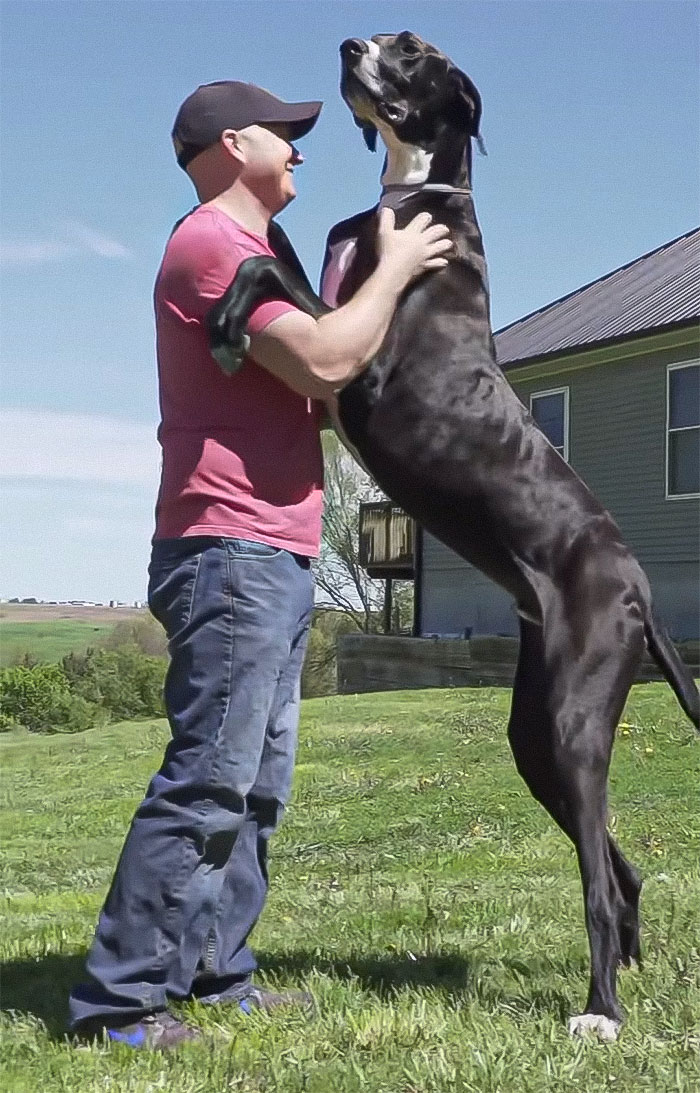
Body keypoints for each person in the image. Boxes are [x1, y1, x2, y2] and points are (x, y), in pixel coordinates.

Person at [69, 79, 451, 1049]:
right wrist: (398, 266)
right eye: (286, 134)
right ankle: (121, 1002)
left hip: (273, 547)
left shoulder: (263, 251)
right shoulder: (210, 246)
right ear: (233, 144)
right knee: (209, 777)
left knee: (256, 783)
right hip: (229, 547)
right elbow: (324, 361)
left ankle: (212, 970)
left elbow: (319, 392)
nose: (300, 149)